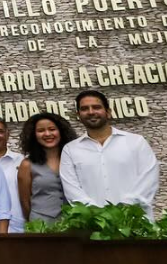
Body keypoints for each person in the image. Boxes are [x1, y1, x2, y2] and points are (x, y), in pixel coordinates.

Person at [60, 90, 160, 219]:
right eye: (85, 109)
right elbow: (72, 191)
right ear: (78, 115)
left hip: (136, 223)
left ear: (108, 112)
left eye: (96, 107)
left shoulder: (135, 141)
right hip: (93, 226)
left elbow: (149, 179)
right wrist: (98, 215)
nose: (91, 112)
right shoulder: (70, 150)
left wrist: (124, 209)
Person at [17, 112, 77, 225]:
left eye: (52, 129)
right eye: (41, 131)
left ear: (61, 131)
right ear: (34, 135)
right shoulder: (27, 165)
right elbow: (25, 202)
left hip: (74, 221)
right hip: (41, 223)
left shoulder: (75, 159)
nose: (47, 134)